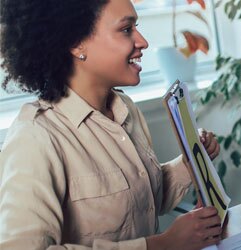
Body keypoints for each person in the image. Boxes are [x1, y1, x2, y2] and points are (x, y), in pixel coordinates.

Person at [0, 0, 222, 249]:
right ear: (77, 43)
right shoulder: (35, 137)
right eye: (126, 30)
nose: (143, 42)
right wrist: (163, 245)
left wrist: (188, 165)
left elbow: (140, 202)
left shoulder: (126, 110)